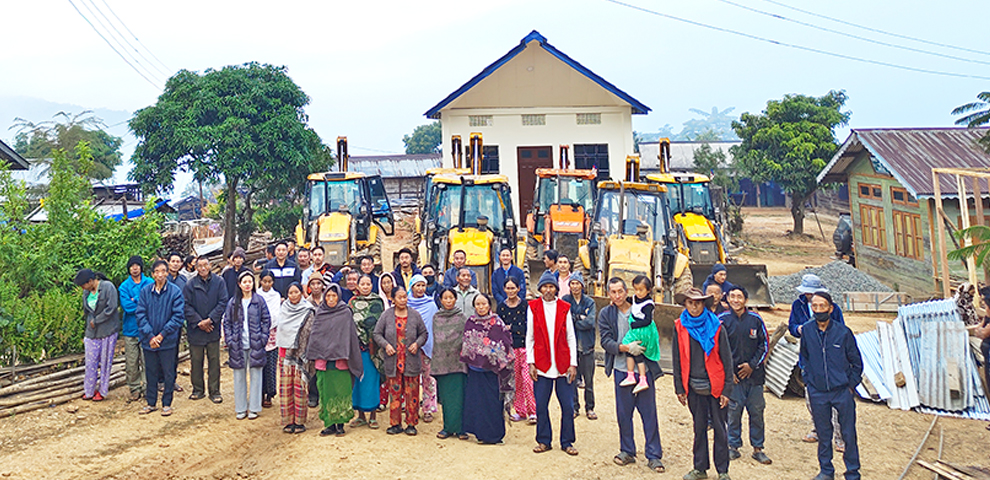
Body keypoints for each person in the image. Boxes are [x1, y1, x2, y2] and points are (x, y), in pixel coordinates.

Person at [599, 277, 665, 473]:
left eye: (620, 291)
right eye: (613, 292)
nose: (617, 295)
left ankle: (654, 455)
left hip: (644, 370)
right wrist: (625, 347)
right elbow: (605, 341)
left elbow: (651, 331)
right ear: (608, 294)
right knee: (624, 413)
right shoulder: (606, 314)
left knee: (649, 412)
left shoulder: (640, 307)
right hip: (622, 369)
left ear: (626, 291)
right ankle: (627, 450)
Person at [673, 287, 734, 480]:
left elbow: (727, 360)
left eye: (698, 303)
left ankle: (723, 471)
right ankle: (700, 468)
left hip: (716, 386)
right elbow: (677, 358)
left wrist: (727, 390)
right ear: (685, 304)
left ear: (704, 304)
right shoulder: (680, 326)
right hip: (693, 386)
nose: (694, 307)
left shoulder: (716, 326)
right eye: (690, 303)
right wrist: (679, 387)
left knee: (720, 429)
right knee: (699, 428)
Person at [800, 291, 862, 480]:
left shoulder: (843, 333)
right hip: (817, 392)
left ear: (830, 308)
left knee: (848, 433)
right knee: (823, 433)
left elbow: (856, 362)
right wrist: (809, 381)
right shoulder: (808, 331)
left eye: (822, 306)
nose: (818, 310)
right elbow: (804, 357)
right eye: (815, 306)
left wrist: (850, 386)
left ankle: (852, 472)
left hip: (841, 391)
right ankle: (826, 471)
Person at [296, 284, 364, 437]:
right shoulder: (321, 313)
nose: (331, 299)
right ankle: (329, 424)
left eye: (334, 296)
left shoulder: (345, 312)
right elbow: (316, 336)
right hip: (324, 362)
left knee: (341, 392)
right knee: (326, 392)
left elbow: (350, 336)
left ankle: (340, 424)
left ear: (339, 297)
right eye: (328, 296)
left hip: (341, 362)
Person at [788, 274, 846, 448]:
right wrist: (799, 329)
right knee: (812, 399)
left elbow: (841, 330)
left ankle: (840, 437)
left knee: (834, 402)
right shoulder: (798, 305)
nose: (809, 295)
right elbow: (792, 326)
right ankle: (818, 429)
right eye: (807, 293)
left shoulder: (833, 308)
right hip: (809, 355)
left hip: (830, 357)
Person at [527, 270, 578, 456]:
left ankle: (567, 441)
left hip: (562, 363)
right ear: (540, 289)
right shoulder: (533, 307)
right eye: (545, 287)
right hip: (542, 363)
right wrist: (531, 362)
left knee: (568, 406)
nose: (548, 290)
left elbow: (571, 337)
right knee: (541, 405)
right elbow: (530, 337)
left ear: (556, 289)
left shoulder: (564, 307)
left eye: (551, 287)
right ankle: (543, 440)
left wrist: (573, 363)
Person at [720, 286, 771, 465]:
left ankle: (758, 448)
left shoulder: (756, 320)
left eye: (739, 297)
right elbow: (717, 349)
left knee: (756, 412)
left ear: (746, 300)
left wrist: (752, 366)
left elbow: (764, 345)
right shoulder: (722, 320)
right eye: (732, 296)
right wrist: (729, 373)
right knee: (733, 412)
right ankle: (733, 446)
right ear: (727, 299)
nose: (736, 300)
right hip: (733, 379)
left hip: (755, 378)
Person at [374, 287, 429, 436]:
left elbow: (424, 333)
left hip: (411, 360)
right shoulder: (386, 316)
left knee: (412, 394)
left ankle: (411, 423)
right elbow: (377, 333)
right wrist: (386, 345)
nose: (403, 300)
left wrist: (417, 344)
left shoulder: (414, 315)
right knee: (395, 393)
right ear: (393, 299)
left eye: (405, 297)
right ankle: (395, 424)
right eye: (400, 297)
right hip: (394, 361)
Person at [461, 293, 514, 444]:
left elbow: (505, 342)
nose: (481, 307)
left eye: (484, 304)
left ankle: (495, 435)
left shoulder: (497, 322)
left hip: (493, 371)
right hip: (475, 370)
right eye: (478, 304)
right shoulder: (470, 322)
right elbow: (467, 343)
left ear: (489, 305)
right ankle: (480, 434)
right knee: (478, 403)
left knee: (493, 402)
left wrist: (493, 355)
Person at [136, 260, 185, 416]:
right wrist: (151, 336)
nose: (160, 274)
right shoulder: (145, 292)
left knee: (168, 373)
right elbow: (140, 315)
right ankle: (151, 403)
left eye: (163, 271)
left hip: (167, 341)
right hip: (149, 341)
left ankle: (167, 403)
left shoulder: (175, 292)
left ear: (167, 273)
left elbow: (178, 316)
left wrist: (162, 335)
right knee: (151, 372)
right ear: (152, 274)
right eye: (157, 271)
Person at [222, 270, 271, 420]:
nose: (247, 284)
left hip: (256, 344)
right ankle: (241, 408)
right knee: (239, 377)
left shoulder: (259, 301)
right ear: (239, 284)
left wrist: (263, 338)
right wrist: (230, 340)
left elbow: (266, 320)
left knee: (256, 376)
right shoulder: (233, 302)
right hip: (237, 344)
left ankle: (254, 408)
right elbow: (227, 322)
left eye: (250, 281)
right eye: (244, 282)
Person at [182, 257, 229, 404]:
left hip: (213, 328)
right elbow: (186, 305)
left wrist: (210, 319)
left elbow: (223, 301)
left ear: (210, 266)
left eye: (205, 265)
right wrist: (199, 322)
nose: (202, 268)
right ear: (195, 268)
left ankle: (214, 391)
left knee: (214, 361)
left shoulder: (219, 282)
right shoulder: (190, 284)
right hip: (196, 330)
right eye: (199, 266)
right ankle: (198, 390)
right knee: (196, 361)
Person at [74, 269, 120, 402]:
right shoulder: (86, 292)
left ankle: (102, 391)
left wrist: (97, 320)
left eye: (83, 285)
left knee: (105, 363)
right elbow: (86, 311)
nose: (82, 288)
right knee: (90, 362)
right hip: (92, 331)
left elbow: (111, 308)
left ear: (90, 281)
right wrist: (90, 323)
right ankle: (89, 390)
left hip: (107, 330)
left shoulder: (108, 287)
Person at [431, 287, 469, 439]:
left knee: (460, 397)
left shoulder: (462, 317)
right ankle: (447, 427)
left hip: (458, 363)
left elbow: (465, 338)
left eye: (451, 298)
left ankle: (461, 429)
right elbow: (438, 338)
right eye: (445, 298)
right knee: (446, 398)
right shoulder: (436, 317)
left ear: (455, 299)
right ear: (441, 300)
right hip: (442, 362)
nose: (448, 301)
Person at [277, 283, 315, 434]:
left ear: (301, 293)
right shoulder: (283, 309)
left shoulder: (308, 310)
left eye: (296, 292)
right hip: (285, 356)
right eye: (290, 293)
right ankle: (288, 421)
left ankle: (299, 422)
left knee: (300, 389)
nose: (293, 295)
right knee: (286, 389)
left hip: (301, 355)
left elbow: (310, 331)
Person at [349, 275, 385, 430]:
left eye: (368, 284)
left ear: (372, 285)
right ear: (357, 286)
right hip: (357, 349)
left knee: (372, 381)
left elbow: (381, 324)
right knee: (358, 381)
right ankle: (361, 416)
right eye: (362, 284)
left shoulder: (378, 302)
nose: (365, 286)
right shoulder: (352, 303)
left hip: (374, 350)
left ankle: (373, 416)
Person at [498, 277, 536, 424]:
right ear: (504, 289)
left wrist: (512, 328)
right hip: (510, 349)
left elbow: (527, 328)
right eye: (508, 288)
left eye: (513, 288)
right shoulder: (501, 307)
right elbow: (500, 328)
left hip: (525, 347)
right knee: (516, 381)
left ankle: (533, 411)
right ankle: (520, 411)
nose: (511, 291)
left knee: (527, 380)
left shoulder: (526, 306)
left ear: (518, 289)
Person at [562, 272, 597, 419]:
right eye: (572, 283)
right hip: (571, 346)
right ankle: (574, 407)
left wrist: (574, 321)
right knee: (572, 379)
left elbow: (590, 322)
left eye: (577, 283)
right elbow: (564, 322)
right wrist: (579, 318)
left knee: (588, 380)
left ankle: (590, 407)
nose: (575, 286)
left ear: (582, 285)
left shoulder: (589, 302)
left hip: (587, 345)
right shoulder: (565, 300)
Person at [619, 276, 661, 395]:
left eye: (641, 290)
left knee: (631, 348)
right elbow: (628, 300)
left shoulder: (648, 304)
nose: (637, 292)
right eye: (635, 289)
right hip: (637, 329)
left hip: (642, 330)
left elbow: (647, 320)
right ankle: (635, 376)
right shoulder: (635, 298)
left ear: (648, 290)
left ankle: (637, 377)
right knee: (633, 351)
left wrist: (634, 324)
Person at [119, 256, 153, 403]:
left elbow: (152, 304)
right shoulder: (124, 286)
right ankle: (134, 389)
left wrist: (135, 300)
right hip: (131, 329)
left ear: (141, 267)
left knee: (148, 361)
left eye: (137, 265)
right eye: (132, 266)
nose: (134, 268)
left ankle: (147, 388)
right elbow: (127, 307)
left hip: (147, 329)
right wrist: (142, 301)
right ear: (129, 268)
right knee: (131, 362)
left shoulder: (150, 283)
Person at [408, 275, 438, 423]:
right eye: (417, 285)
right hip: (410, 347)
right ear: (412, 287)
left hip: (428, 347)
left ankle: (428, 409)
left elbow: (435, 325)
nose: (420, 289)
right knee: (411, 379)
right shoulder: (406, 303)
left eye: (423, 285)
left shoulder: (431, 304)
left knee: (428, 379)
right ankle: (411, 408)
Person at [257, 270, 282, 408]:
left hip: (272, 335)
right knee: (258, 364)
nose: (267, 284)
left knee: (271, 365)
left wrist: (267, 326)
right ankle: (259, 393)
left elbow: (276, 314)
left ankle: (269, 394)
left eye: (269, 281)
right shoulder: (256, 295)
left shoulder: (276, 296)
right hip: (257, 333)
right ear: (260, 281)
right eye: (264, 281)